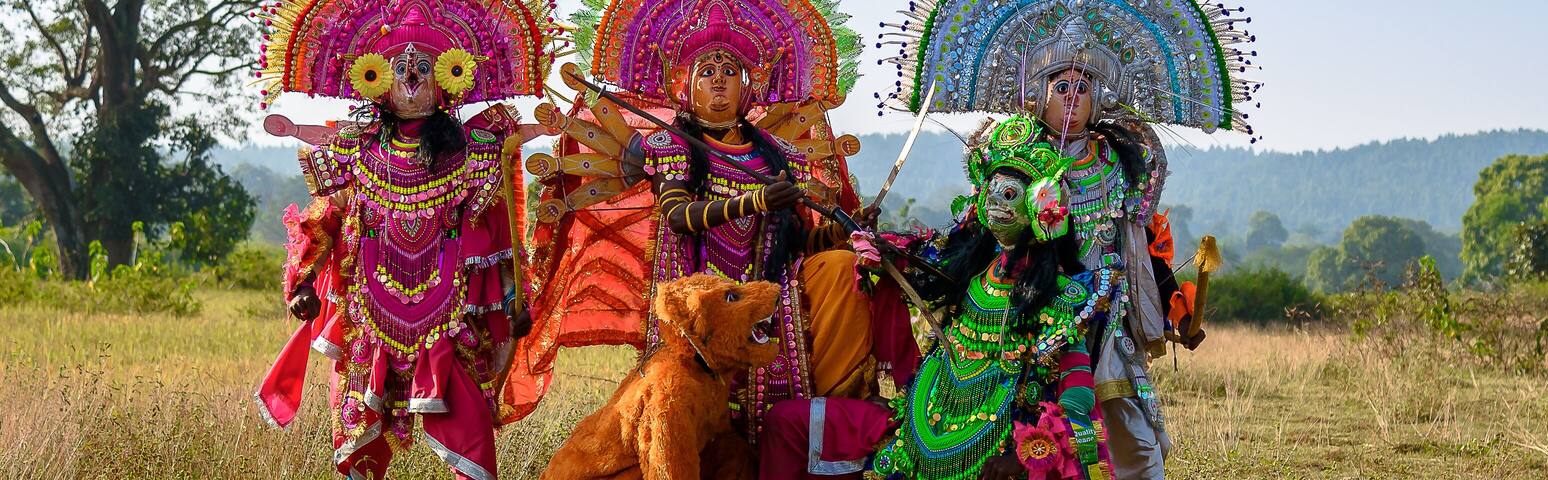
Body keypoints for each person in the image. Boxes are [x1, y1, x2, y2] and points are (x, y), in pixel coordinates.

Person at [501, 1, 916, 472]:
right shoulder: (672, 143)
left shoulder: (775, 155)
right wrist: (755, 202)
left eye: (729, 70)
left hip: (770, 297)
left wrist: (846, 230)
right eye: (707, 70)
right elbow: (677, 216)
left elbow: (800, 242)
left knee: (842, 269)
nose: (718, 79)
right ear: (686, 85)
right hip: (701, 300)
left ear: (747, 86)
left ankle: (836, 440)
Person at [879, 0, 1261, 477]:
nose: (1074, 98)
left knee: (1133, 440)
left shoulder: (1118, 162)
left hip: (1101, 312)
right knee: (1017, 439)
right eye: (1063, 87)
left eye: (1084, 87)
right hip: (1026, 314)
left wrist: (1171, 309)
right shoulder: (1014, 154)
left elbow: (1137, 246)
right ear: (1038, 93)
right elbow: (977, 231)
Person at [252, 1, 557, 478]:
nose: (411, 80)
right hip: (370, 313)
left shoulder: (472, 152)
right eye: (400, 69)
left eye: (424, 69)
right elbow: (327, 215)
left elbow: (498, 237)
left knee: (472, 428)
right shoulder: (357, 147)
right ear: (376, 79)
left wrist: (517, 298)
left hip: (451, 318)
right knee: (355, 435)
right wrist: (305, 281)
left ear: (449, 81)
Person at [873, 116, 1099, 480]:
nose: (995, 205)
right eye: (990, 193)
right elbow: (920, 265)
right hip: (937, 416)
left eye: (1008, 195)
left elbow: (1076, 390)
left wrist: (1028, 453)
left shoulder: (1058, 293)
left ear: (1039, 206)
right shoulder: (974, 269)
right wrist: (881, 245)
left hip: (1010, 443)